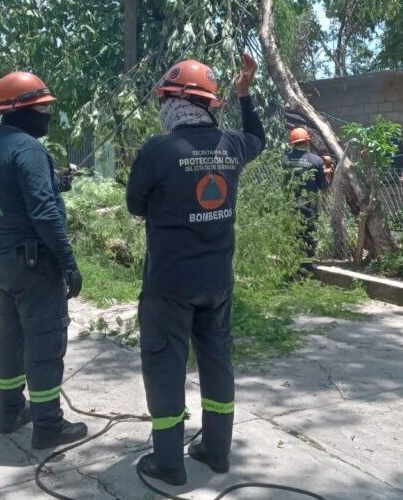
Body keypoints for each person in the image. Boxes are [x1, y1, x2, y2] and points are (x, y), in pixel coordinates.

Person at [127, 54, 265, 486]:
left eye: (165, 98)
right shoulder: (232, 146)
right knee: (217, 362)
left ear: (177, 101)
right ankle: (216, 451)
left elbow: (135, 205)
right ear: (209, 104)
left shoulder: (159, 149)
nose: (162, 106)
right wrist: (245, 94)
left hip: (169, 285)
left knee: (165, 367)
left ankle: (169, 462)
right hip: (217, 282)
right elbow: (259, 137)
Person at [0, 71, 87, 449]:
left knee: (9, 339)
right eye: (41, 108)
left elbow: (11, 193)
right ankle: (48, 426)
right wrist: (69, 263)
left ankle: (10, 411)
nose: (47, 114)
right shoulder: (29, 149)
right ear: (21, 110)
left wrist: (52, 181)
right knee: (44, 342)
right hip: (32, 265)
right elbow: (44, 215)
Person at [281, 127, 332, 272]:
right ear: (307, 142)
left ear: (292, 143)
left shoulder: (285, 160)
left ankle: (293, 267)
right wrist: (328, 173)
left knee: (293, 237)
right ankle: (307, 269)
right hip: (309, 208)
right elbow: (324, 186)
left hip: (290, 206)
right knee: (308, 237)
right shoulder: (316, 161)